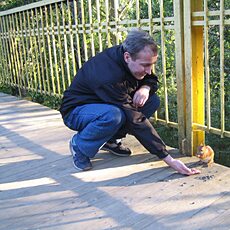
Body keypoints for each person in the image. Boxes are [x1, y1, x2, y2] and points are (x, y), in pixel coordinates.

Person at [60, 29, 200, 176]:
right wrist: (168, 158)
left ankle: (110, 141)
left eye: (152, 64)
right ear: (127, 57)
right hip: (77, 111)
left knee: (151, 101)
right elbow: (135, 118)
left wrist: (146, 87)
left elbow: (150, 78)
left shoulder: (131, 56)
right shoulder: (108, 75)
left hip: (107, 102)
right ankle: (80, 146)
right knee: (114, 115)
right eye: (145, 65)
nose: (149, 70)